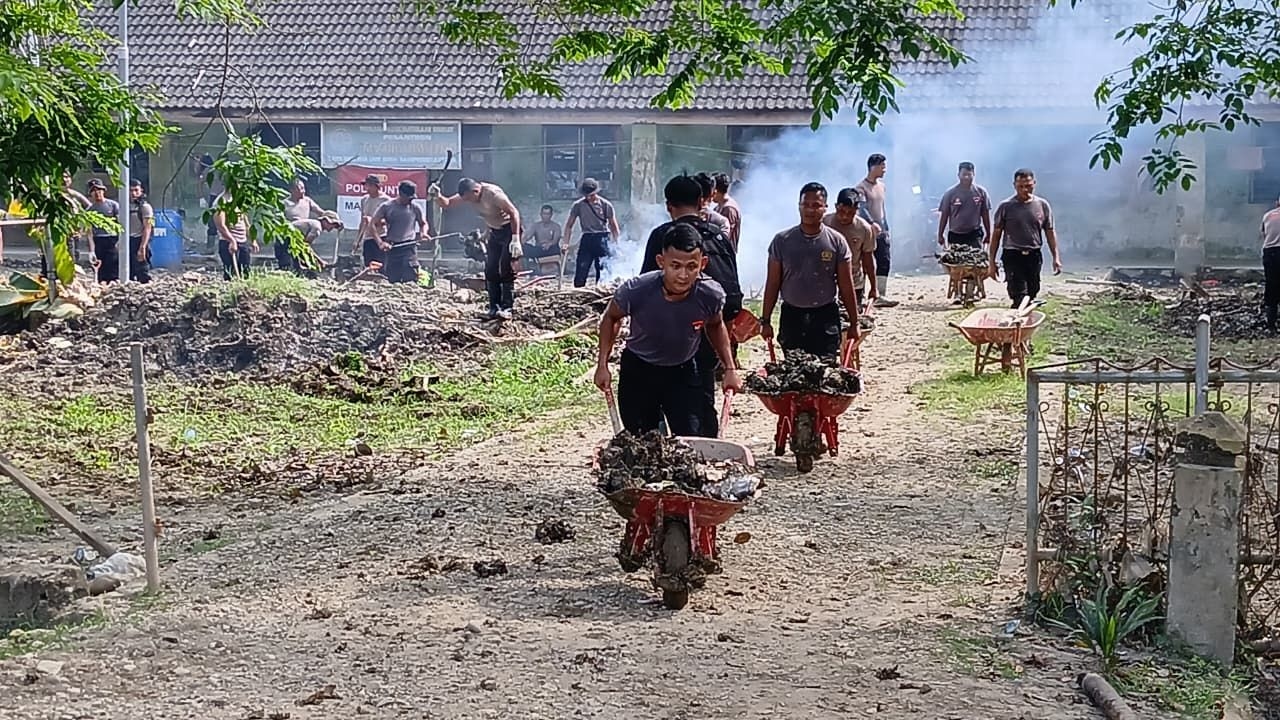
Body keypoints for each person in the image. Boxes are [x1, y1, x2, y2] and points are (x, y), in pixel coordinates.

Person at [594, 222, 743, 437]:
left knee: (691, 437)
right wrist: (602, 365)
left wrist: (729, 368)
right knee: (642, 439)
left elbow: (715, 325)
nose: (683, 275)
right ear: (661, 262)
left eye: (691, 266)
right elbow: (611, 318)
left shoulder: (709, 294)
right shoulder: (637, 290)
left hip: (683, 370)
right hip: (639, 370)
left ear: (702, 264)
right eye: (675, 266)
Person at [640, 174, 744, 436]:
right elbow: (732, 294)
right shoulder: (719, 237)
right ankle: (705, 446)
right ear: (701, 202)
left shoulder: (663, 236)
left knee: (664, 396)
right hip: (710, 331)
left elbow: (647, 287)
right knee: (702, 397)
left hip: (669, 335)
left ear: (668, 206)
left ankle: (666, 442)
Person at [760, 182, 862, 360]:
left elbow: (846, 286)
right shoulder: (782, 241)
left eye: (816, 205)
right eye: (805, 204)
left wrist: (854, 323)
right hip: (792, 317)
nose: (810, 210)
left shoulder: (836, 242)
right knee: (794, 369)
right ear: (799, 206)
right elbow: (773, 283)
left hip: (825, 318)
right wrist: (765, 320)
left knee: (825, 369)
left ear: (825, 208)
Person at [433, 177, 522, 318]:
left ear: (475, 191)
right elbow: (447, 203)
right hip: (494, 232)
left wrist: (515, 238)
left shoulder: (493, 194)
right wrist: (437, 195)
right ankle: (494, 308)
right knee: (490, 268)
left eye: (469, 199)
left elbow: (514, 213)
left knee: (505, 267)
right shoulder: (469, 194)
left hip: (508, 231)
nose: (468, 202)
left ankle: (507, 308)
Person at [987, 168, 1062, 308]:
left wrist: (1055, 257)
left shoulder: (1042, 205)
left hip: (1034, 255)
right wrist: (991, 262)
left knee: (1033, 291)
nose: (1024, 190)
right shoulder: (1006, 207)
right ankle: (1017, 317)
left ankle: (1025, 314)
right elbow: (996, 235)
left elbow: (1050, 232)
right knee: (1019, 294)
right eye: (1020, 186)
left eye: (1028, 186)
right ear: (1014, 185)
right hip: (1012, 255)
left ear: (1034, 184)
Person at [822, 188, 878, 312]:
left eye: (850, 213)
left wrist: (874, 287)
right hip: (827, 283)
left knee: (851, 316)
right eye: (841, 211)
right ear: (836, 206)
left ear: (857, 210)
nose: (845, 216)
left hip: (853, 283)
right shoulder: (824, 223)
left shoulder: (864, 229)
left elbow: (868, 259)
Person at [856, 153, 899, 308]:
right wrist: (872, 223)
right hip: (866, 232)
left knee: (884, 260)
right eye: (882, 166)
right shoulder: (861, 188)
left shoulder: (881, 186)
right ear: (873, 167)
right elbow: (862, 209)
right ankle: (860, 295)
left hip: (881, 231)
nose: (884, 170)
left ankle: (881, 294)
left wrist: (885, 227)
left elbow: (882, 209)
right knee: (864, 263)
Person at [564, 178, 619, 287]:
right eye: (586, 195)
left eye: (591, 195)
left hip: (602, 239)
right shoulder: (578, 205)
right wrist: (566, 243)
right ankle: (579, 291)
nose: (589, 198)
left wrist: (616, 243)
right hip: (587, 239)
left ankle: (601, 290)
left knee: (603, 272)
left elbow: (613, 226)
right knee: (581, 269)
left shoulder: (605, 205)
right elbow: (569, 225)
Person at [372, 180, 429, 285]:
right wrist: (380, 242)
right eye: (408, 198)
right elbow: (372, 224)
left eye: (412, 198)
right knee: (393, 278)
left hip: (409, 246)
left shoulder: (415, 208)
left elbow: (423, 223)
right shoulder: (387, 206)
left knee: (411, 275)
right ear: (401, 194)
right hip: (393, 247)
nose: (410, 201)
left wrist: (423, 233)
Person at [937, 161, 992, 250]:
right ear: (958, 175)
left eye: (969, 175)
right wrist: (940, 234)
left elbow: (985, 214)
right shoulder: (950, 193)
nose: (966, 177)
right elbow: (944, 216)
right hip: (956, 235)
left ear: (974, 175)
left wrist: (988, 234)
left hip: (974, 234)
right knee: (956, 258)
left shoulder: (981, 192)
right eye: (964, 174)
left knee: (975, 258)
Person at [281, 179, 327, 272]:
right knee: (288, 264)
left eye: (303, 188)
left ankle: (314, 267)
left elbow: (322, 213)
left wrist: (335, 221)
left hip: (303, 235)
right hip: (289, 236)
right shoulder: (284, 204)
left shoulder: (307, 201)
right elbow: (278, 222)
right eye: (300, 189)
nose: (303, 191)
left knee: (304, 256)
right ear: (292, 190)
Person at [211, 193, 258, 280]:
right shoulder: (221, 201)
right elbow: (220, 225)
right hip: (227, 242)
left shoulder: (239, 199)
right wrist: (232, 241)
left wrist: (253, 239)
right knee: (230, 272)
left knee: (245, 271)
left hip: (242, 242)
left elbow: (246, 223)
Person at [85, 179, 122, 283]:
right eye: (94, 191)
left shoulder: (113, 205)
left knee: (113, 263)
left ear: (103, 190)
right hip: (98, 240)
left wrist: (120, 241)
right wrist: (91, 250)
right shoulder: (90, 210)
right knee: (101, 267)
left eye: (99, 190)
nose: (97, 193)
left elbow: (120, 224)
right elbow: (89, 232)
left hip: (112, 239)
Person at [353, 174, 392, 269]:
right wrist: (357, 240)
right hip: (368, 238)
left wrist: (374, 221)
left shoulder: (386, 200)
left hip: (381, 237)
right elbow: (362, 221)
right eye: (366, 185)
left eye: (370, 185)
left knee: (381, 265)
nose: (367, 188)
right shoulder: (364, 200)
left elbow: (389, 221)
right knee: (368, 266)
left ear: (376, 186)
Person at [127, 179, 154, 283]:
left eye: (136, 190)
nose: (133, 193)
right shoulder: (122, 206)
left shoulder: (145, 207)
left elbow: (147, 228)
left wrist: (142, 246)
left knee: (142, 272)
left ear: (141, 191)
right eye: (130, 190)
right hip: (126, 241)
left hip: (139, 240)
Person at [1260, 195, 1280, 333]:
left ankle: (1271, 325)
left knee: (1271, 286)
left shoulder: (1267, 216)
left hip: (1270, 252)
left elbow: (1264, 234)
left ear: (1277, 203)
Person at [523, 204, 563, 269]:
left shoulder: (556, 226)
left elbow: (555, 240)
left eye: (548, 214)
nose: (546, 216)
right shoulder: (536, 226)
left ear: (551, 215)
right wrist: (522, 241)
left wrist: (549, 244)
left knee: (555, 248)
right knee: (524, 247)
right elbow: (528, 236)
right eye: (544, 214)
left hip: (551, 249)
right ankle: (526, 268)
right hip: (539, 249)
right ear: (541, 214)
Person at [711, 171, 742, 252]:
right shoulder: (718, 207)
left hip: (725, 253)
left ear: (715, 190)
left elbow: (725, 236)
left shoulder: (729, 208)